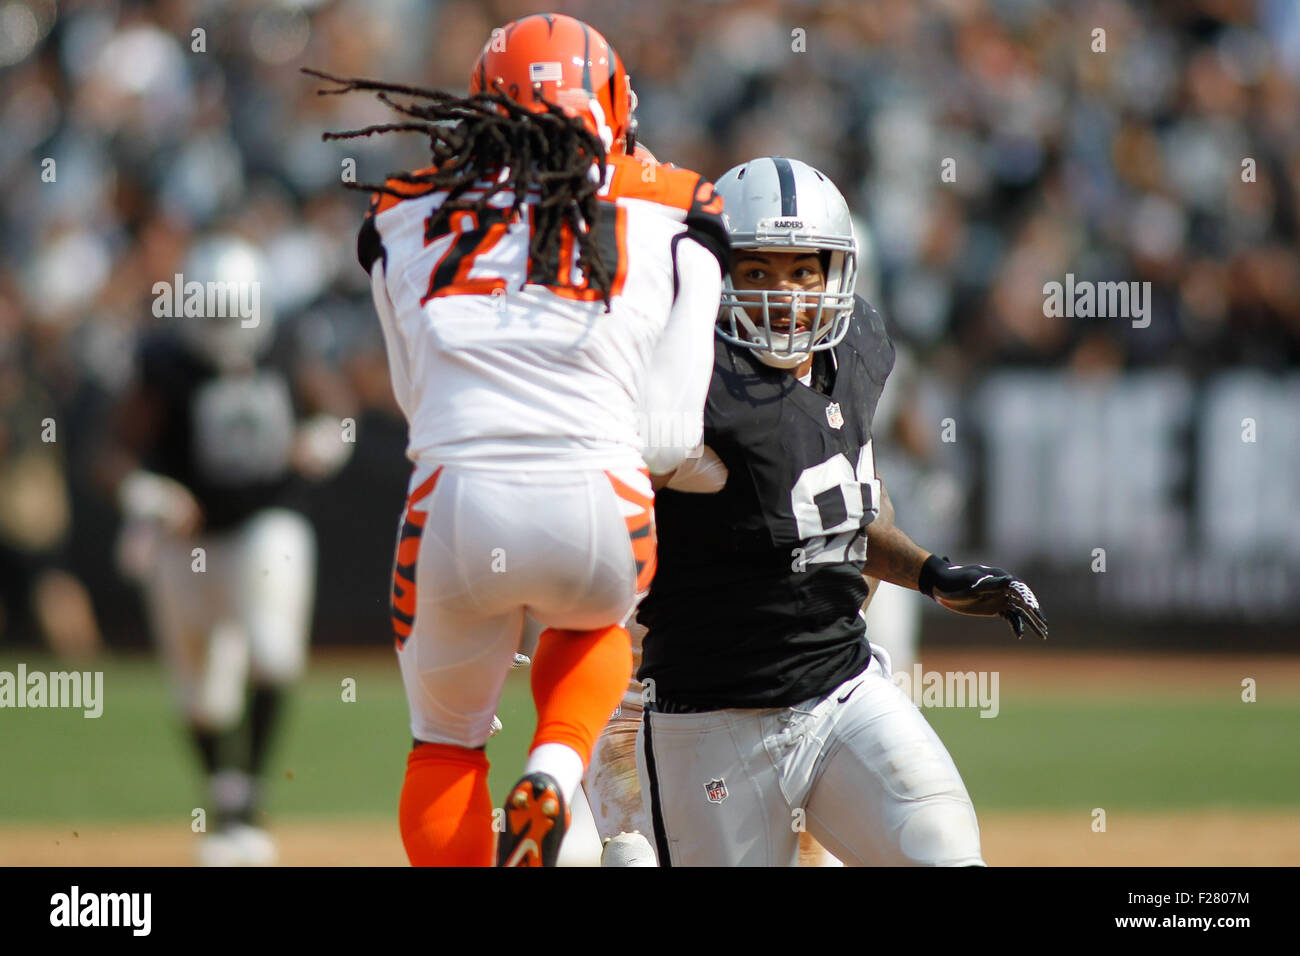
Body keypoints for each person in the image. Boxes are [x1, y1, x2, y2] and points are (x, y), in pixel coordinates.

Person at [319, 12, 728, 866]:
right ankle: (553, 762)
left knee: (444, 745)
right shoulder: (675, 208)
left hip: (453, 505)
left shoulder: (400, 211)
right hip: (601, 501)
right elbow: (666, 434)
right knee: (592, 629)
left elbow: (410, 395)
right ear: (612, 108)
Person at [586, 156, 1045, 866]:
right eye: (760, 271)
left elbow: (844, 514)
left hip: (842, 692)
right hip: (708, 718)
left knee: (946, 851)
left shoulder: (856, 348)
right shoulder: (685, 386)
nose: (786, 296)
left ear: (837, 274)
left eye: (804, 271)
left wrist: (932, 573)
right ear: (715, 273)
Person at [103, 234, 353, 865]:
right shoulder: (163, 362)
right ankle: (229, 806)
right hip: (187, 538)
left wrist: (326, 437)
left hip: (265, 523)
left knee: (273, 650)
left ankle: (249, 796)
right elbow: (110, 453)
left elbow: (337, 409)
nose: (221, 329)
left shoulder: (284, 345)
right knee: (201, 693)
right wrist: (146, 492)